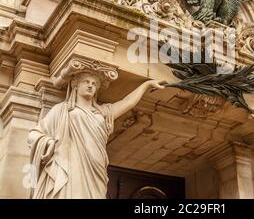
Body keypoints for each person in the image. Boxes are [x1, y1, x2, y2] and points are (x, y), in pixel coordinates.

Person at [27, 72, 165, 199]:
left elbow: (128, 102)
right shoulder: (62, 110)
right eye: (86, 82)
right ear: (76, 85)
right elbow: (33, 134)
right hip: (70, 164)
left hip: (96, 168)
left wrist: (146, 85)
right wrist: (49, 143)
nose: (90, 85)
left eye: (94, 84)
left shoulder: (103, 112)